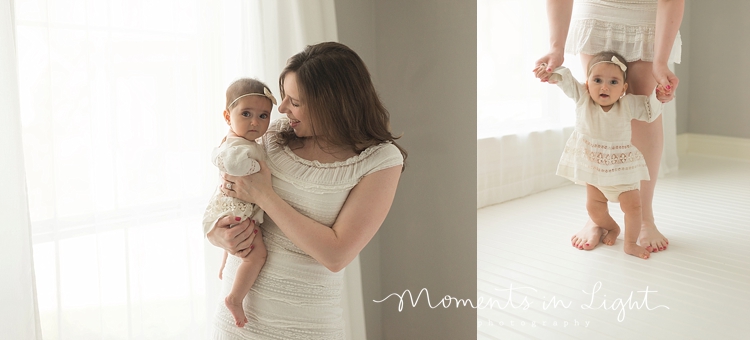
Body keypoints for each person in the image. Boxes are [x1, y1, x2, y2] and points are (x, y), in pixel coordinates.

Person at [205, 42, 407, 339]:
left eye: (295, 102)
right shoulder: (273, 135)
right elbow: (227, 195)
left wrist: (264, 196)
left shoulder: (380, 161)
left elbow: (336, 254)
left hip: (305, 326)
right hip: (237, 323)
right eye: (284, 97)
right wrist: (217, 234)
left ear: (331, 105)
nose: (282, 109)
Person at [535, 0, 684, 253]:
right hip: (598, 12)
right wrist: (555, 48)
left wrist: (661, 62)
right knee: (595, 109)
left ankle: (644, 215)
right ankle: (597, 215)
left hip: (647, 16)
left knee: (644, 108)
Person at [534, 51, 667, 259]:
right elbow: (566, 79)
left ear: (623, 89)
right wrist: (550, 72)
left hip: (623, 174)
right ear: (587, 83)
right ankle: (612, 227)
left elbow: (649, 110)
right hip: (595, 173)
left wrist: (659, 94)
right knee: (594, 208)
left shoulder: (627, 105)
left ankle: (630, 243)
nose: (604, 87)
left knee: (633, 208)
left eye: (613, 82)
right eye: (597, 80)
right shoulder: (583, 98)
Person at [202, 78, 278, 327]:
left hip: (232, 206)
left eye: (263, 115)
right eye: (246, 114)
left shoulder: (240, 141)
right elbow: (232, 165)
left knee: (236, 244)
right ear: (227, 116)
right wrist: (259, 169)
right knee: (256, 255)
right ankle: (235, 298)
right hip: (236, 208)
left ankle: (225, 264)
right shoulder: (238, 145)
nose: (255, 122)